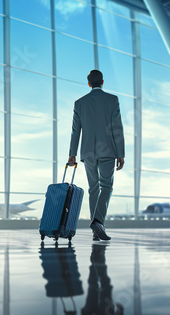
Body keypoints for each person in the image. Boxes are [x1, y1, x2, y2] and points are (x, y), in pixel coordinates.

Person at [68, 70, 125, 241]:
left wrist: (72, 154)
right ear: (102, 81)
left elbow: (75, 131)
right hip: (108, 150)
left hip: (88, 151)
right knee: (106, 186)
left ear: (89, 84)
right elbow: (117, 128)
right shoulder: (112, 100)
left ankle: (96, 231)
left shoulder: (79, 103)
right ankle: (98, 222)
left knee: (94, 189)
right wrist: (120, 153)